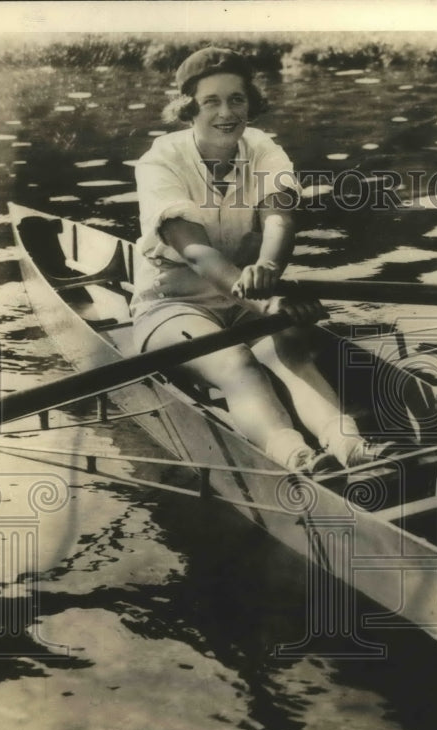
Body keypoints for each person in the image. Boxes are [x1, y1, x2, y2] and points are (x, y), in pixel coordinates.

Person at [130, 47, 384, 472]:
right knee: (238, 363)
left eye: (237, 99)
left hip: (244, 302)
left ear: (252, 102)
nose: (226, 113)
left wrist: (268, 269)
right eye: (212, 101)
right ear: (190, 107)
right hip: (173, 305)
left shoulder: (263, 148)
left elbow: (279, 219)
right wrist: (267, 304)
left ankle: (350, 445)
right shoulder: (160, 162)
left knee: (291, 349)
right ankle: (296, 458)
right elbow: (195, 251)